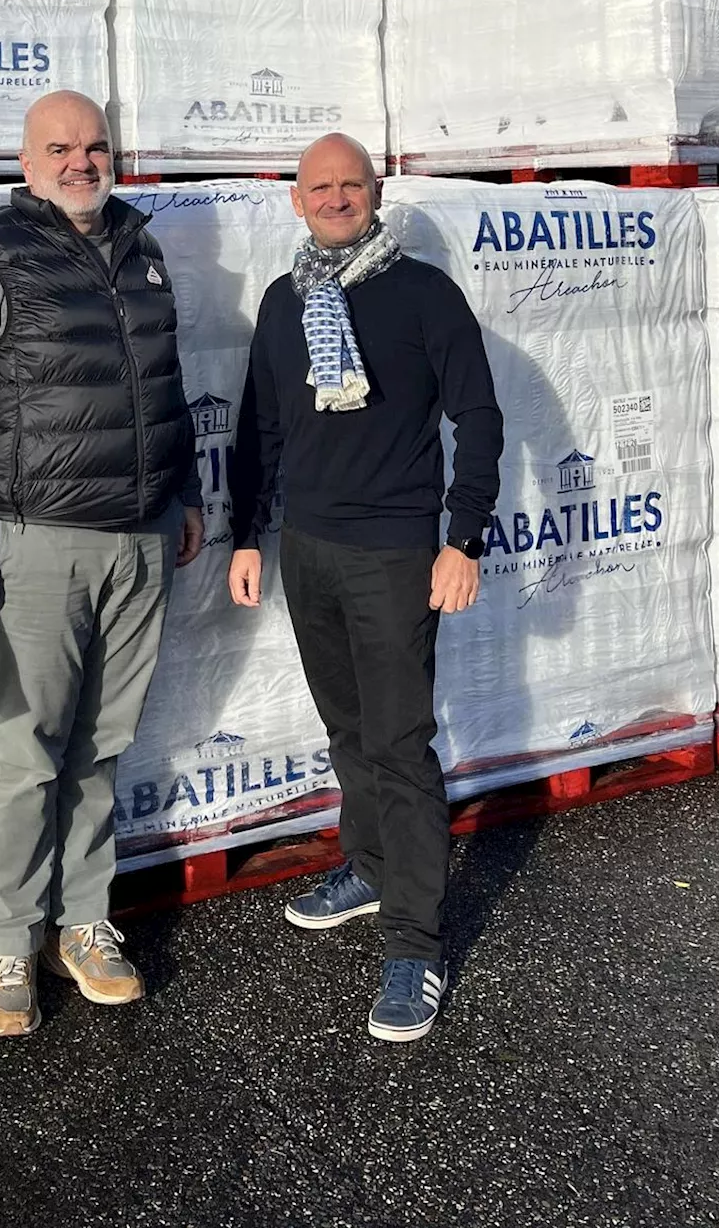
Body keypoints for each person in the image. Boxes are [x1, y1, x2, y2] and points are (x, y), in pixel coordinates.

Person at [0, 89, 204, 1037]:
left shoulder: (143, 246)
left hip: (139, 539)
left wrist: (187, 496)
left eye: (94, 147)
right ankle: (8, 940)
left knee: (102, 747)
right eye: (61, 148)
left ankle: (84, 924)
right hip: (33, 541)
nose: (82, 162)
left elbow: (161, 383)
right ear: (26, 158)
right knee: (23, 755)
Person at [228, 133, 502, 1043]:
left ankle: (415, 946)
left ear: (374, 193)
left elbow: (479, 414)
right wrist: (245, 533)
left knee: (399, 741)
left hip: (394, 553)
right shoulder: (285, 300)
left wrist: (462, 537)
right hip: (308, 547)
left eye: (352, 184)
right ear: (296, 199)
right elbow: (260, 425)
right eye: (321, 186)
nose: (337, 198)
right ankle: (372, 864)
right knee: (348, 728)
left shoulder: (423, 294)